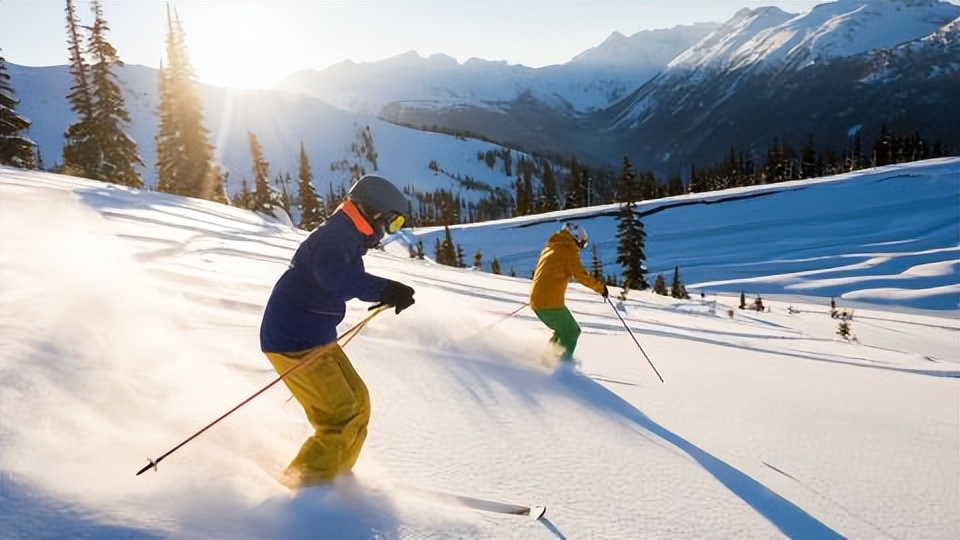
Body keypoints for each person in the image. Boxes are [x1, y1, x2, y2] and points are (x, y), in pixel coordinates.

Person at [260, 174, 416, 488]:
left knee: (358, 401)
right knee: (341, 416)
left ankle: (334, 472)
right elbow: (335, 277)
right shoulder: (337, 236)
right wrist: (384, 289)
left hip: (311, 337)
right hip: (293, 340)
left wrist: (384, 291)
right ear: (374, 213)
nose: (389, 232)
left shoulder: (346, 234)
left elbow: (337, 279)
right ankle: (305, 487)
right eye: (393, 223)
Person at [529, 222, 608, 363]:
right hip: (549, 303)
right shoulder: (568, 250)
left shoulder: (552, 247)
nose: (581, 247)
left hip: (539, 300)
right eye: (582, 243)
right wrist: (600, 288)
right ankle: (561, 368)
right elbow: (581, 275)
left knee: (561, 331)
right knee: (572, 332)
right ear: (576, 238)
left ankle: (546, 360)